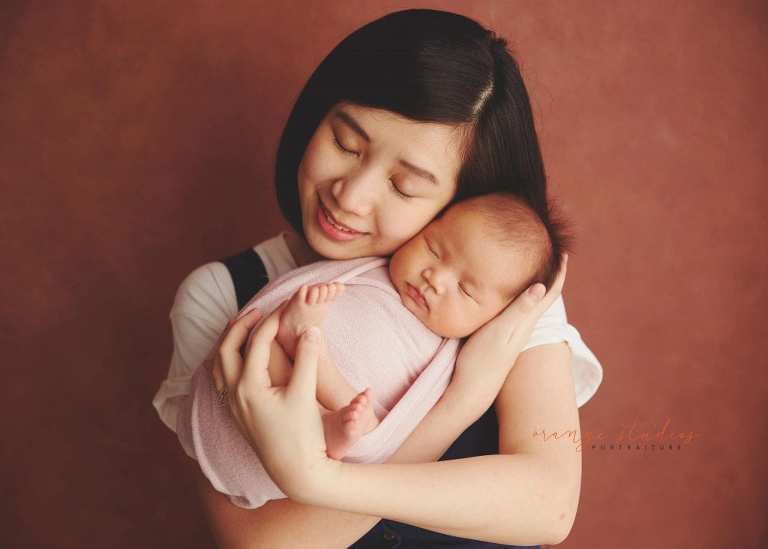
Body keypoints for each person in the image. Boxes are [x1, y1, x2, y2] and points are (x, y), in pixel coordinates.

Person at [152, 8, 603, 548]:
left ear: (456, 203)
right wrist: (460, 400)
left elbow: (546, 506)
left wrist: (321, 480)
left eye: (406, 186)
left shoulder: (496, 287)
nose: (351, 195)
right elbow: (264, 544)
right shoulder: (224, 293)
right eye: (345, 143)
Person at [178, 192, 569, 510]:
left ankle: (324, 410)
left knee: (363, 422)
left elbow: (390, 437)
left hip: (330, 426)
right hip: (246, 393)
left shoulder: (454, 358)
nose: (435, 278)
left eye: (466, 290)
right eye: (434, 249)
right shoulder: (370, 270)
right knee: (261, 346)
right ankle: (303, 348)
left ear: (499, 317)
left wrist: (467, 396)